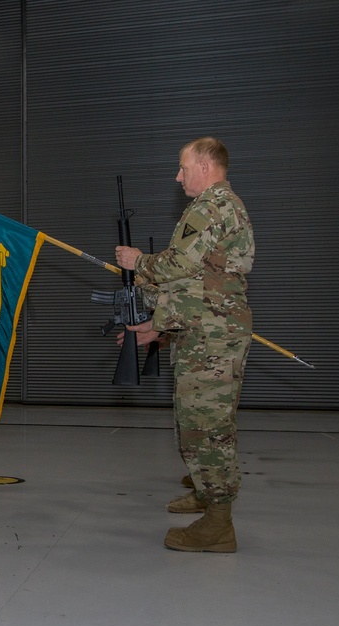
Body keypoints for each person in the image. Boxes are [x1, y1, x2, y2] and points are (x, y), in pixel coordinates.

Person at [114, 137, 254, 552]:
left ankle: (218, 524)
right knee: (193, 422)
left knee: (208, 429)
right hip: (203, 331)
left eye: (183, 168)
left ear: (206, 166)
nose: (178, 177)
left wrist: (137, 261)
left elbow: (180, 265)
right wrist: (158, 326)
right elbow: (196, 284)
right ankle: (205, 491)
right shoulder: (220, 207)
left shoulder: (212, 206)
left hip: (212, 338)